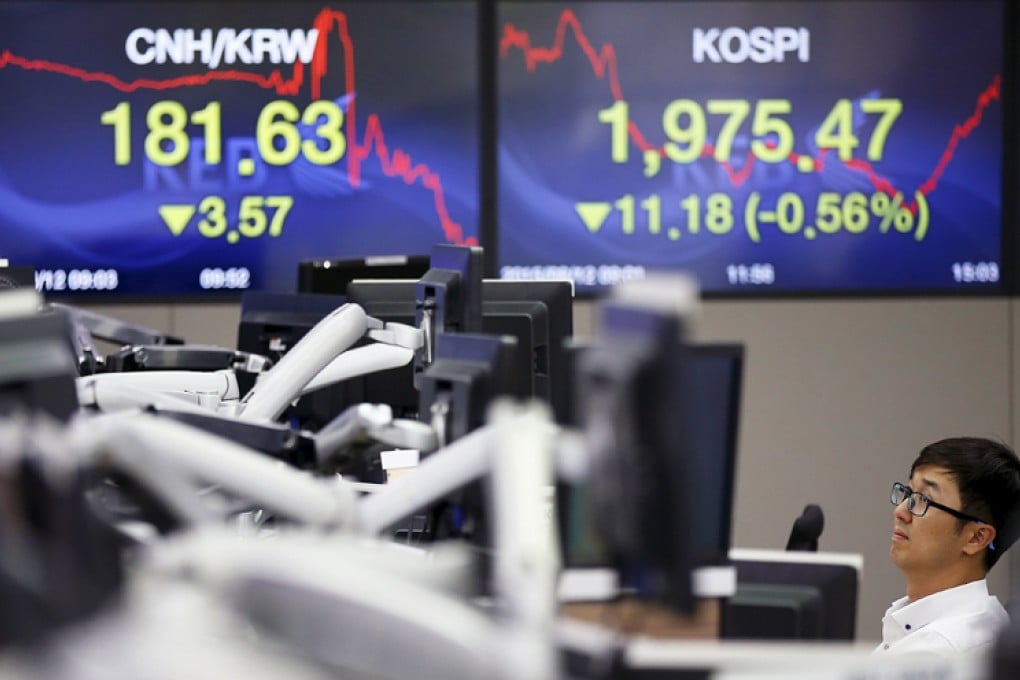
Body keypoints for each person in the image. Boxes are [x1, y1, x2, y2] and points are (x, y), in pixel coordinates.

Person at [874, 436, 1020, 658]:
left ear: (976, 538)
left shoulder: (938, 651)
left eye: (924, 499)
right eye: (908, 493)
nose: (901, 511)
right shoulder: (974, 622)